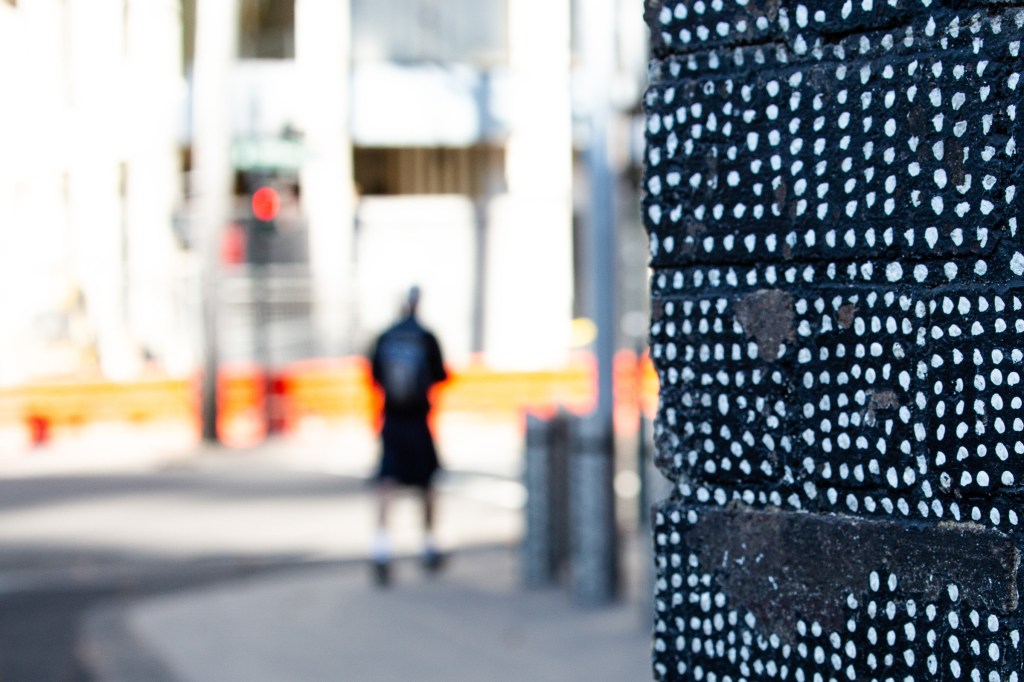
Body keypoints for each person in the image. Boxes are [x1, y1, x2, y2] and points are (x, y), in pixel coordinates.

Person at [368, 286, 447, 586]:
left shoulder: (385, 337)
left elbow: (374, 376)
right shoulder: (426, 337)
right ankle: (428, 543)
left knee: (386, 483)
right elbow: (440, 375)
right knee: (426, 484)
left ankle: (381, 546)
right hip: (418, 422)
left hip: (392, 421)